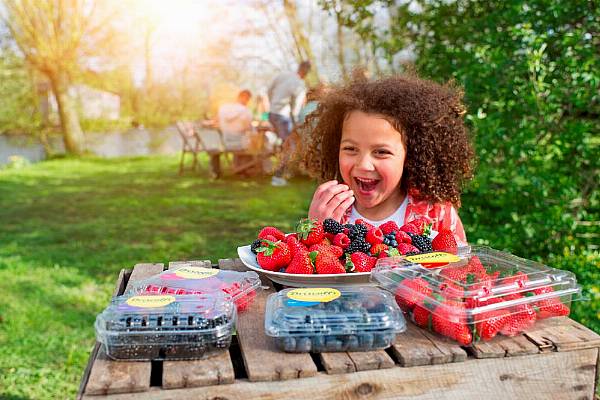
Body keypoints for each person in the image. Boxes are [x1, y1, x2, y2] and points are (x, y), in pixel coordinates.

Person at [302, 74, 475, 244]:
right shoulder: (329, 212)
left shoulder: (437, 213)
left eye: (381, 152)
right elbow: (307, 265)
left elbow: (460, 267)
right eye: (350, 149)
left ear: (410, 155)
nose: (363, 165)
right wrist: (315, 232)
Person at [268, 61, 312, 186]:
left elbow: (269, 90)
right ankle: (277, 177)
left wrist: (273, 105)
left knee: (284, 144)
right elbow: (296, 108)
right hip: (283, 116)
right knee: (290, 146)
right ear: (306, 72)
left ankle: (281, 171)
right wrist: (297, 122)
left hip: (272, 114)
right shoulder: (300, 84)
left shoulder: (282, 74)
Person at [215, 89, 253, 177]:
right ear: (245, 98)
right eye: (248, 99)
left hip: (225, 143)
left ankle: (239, 168)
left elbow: (218, 122)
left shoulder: (223, 108)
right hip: (241, 144)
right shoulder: (246, 111)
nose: (247, 102)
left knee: (244, 140)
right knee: (253, 142)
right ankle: (243, 170)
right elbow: (248, 128)